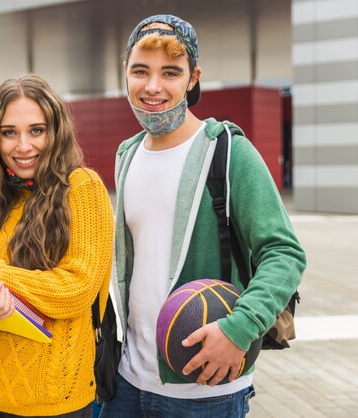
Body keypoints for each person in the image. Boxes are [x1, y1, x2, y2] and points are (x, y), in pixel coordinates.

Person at [101, 15, 306, 418]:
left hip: (206, 388)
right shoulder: (126, 154)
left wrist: (239, 329)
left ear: (193, 78)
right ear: (125, 73)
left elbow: (284, 254)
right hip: (125, 381)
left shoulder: (229, 151)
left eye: (170, 72)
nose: (153, 87)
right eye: (140, 71)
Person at [0, 74, 114, 417]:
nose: (23, 146)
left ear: (56, 132)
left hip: (54, 404)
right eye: (9, 132)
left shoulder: (82, 188)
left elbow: (77, 288)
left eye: (36, 131)